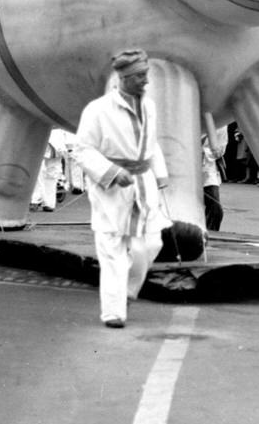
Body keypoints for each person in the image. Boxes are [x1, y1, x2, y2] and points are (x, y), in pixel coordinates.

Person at [71, 48, 172, 328]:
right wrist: (112, 172)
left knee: (150, 243)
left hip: (144, 184)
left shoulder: (149, 106)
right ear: (124, 78)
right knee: (112, 247)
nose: (146, 81)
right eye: (140, 76)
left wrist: (160, 174)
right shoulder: (98, 110)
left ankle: (127, 290)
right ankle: (113, 311)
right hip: (112, 191)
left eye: (146, 75)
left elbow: (151, 144)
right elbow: (81, 150)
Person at [202, 123, 227, 232]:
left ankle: (212, 236)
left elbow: (220, 150)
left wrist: (206, 151)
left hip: (208, 171)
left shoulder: (222, 125)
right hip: (186, 170)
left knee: (215, 208)